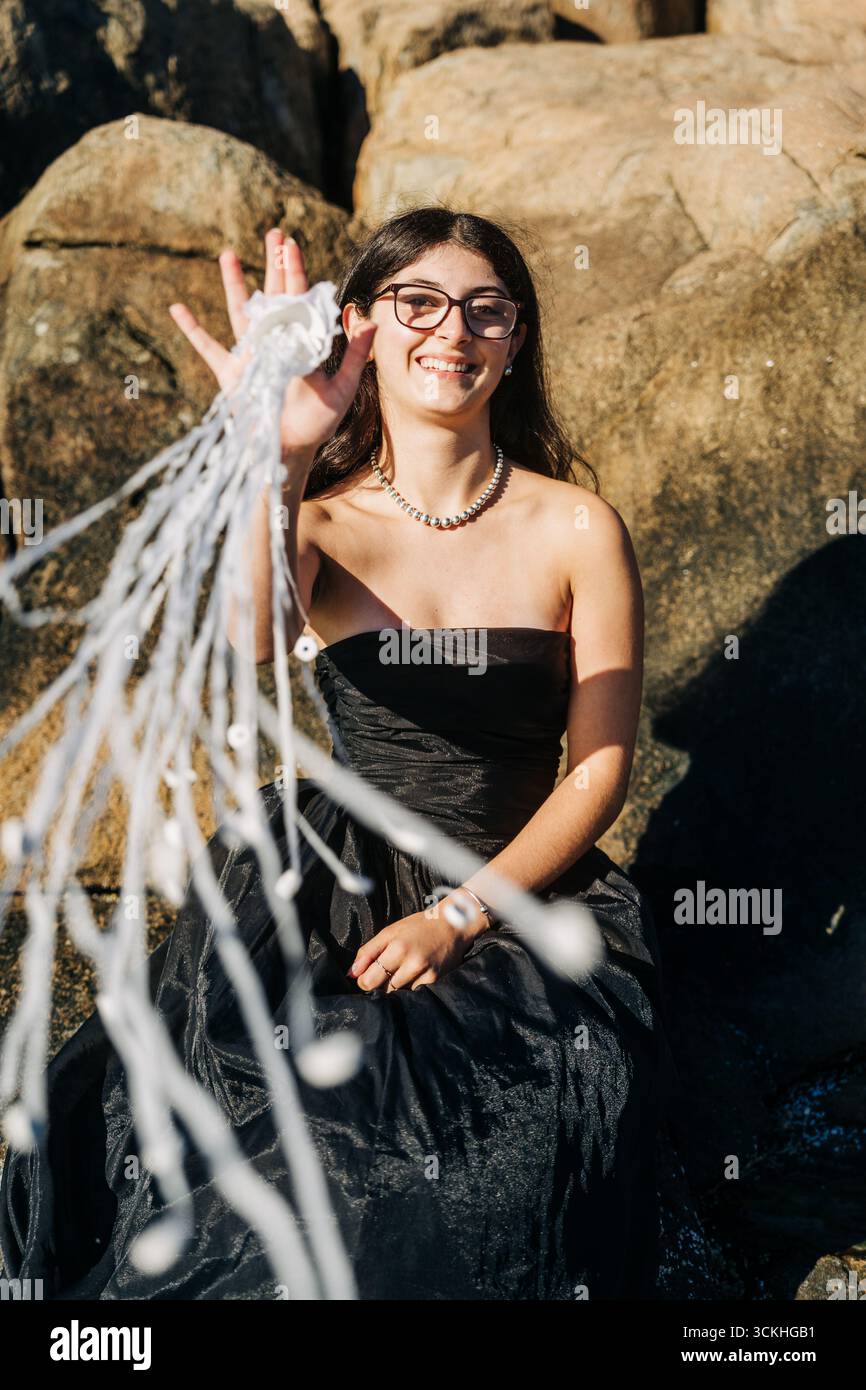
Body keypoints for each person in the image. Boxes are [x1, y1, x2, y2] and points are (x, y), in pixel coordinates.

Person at [0, 205, 709, 1300]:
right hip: (323, 884)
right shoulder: (318, 521)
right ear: (360, 329)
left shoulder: (577, 526)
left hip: (519, 891)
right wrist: (276, 459)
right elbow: (242, 646)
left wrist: (458, 914)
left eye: (484, 309)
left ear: (513, 339)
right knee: (286, 1141)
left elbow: (597, 769)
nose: (451, 331)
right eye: (415, 302)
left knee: (483, 1155)